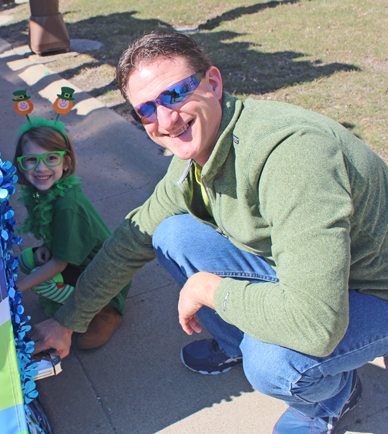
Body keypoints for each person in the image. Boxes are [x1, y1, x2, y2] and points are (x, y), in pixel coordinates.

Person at [28, 31, 388, 433]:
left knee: (272, 362)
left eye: (176, 93)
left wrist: (211, 290)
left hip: (371, 288)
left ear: (213, 83)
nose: (165, 120)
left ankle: (332, 396)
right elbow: (133, 240)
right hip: (310, 272)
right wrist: (69, 320)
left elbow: (316, 324)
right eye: (146, 109)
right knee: (171, 235)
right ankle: (238, 343)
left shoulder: (292, 157)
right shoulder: (196, 155)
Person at [13, 117, 131, 350]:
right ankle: (69, 296)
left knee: (41, 283)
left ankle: (104, 311)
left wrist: (16, 290)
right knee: (27, 259)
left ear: (66, 162)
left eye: (51, 158)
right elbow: (52, 233)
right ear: (20, 164)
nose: (41, 168)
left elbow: (58, 264)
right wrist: (48, 244)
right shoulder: (39, 192)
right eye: (31, 160)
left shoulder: (67, 205)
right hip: (73, 259)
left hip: (99, 274)